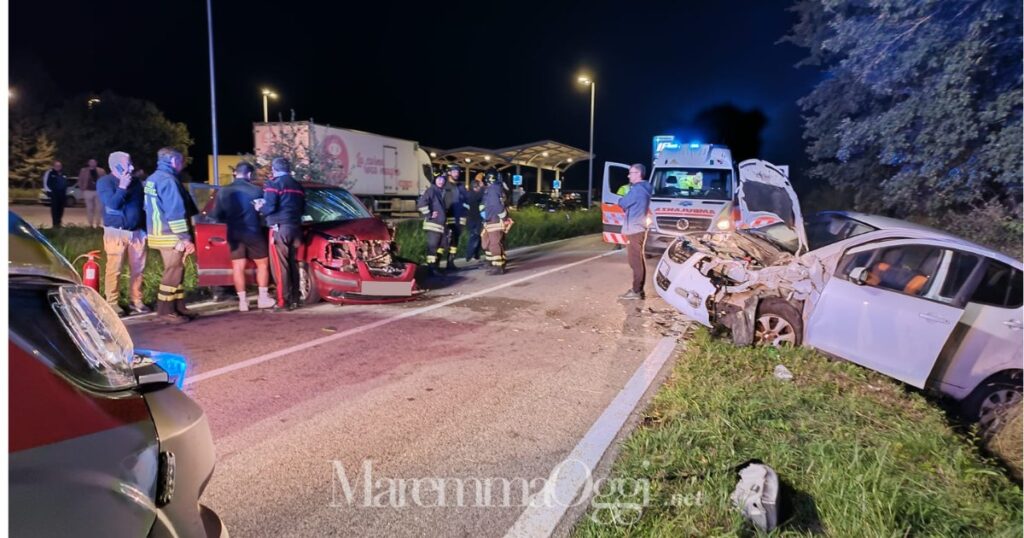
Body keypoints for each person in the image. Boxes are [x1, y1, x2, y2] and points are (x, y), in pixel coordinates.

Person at [144, 148, 199, 324]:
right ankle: (165, 311)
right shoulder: (168, 180)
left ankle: (178, 306)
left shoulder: (153, 178)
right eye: (181, 161)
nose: (182, 165)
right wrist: (184, 237)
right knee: (173, 271)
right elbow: (175, 211)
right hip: (171, 234)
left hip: (158, 232)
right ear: (174, 161)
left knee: (177, 271)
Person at [213, 162, 275, 312]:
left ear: (235, 173)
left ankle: (242, 302)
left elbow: (216, 216)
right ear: (249, 174)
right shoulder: (257, 190)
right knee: (262, 265)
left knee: (238, 267)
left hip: (234, 233)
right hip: (253, 232)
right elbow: (264, 212)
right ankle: (262, 298)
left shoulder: (223, 191)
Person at [97, 151, 149, 316]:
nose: (132, 167)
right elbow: (113, 205)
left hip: (137, 233)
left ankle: (136, 300)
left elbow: (142, 206)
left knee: (138, 269)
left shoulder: (136, 183)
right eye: (128, 163)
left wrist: (145, 229)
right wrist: (122, 187)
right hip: (116, 233)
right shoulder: (105, 182)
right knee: (115, 268)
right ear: (116, 166)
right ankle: (112, 302)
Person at [259, 157, 306, 311]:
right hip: (296, 228)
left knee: (280, 267)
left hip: (279, 228)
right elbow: (303, 208)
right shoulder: (298, 185)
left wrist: (260, 208)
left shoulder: (273, 184)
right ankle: (295, 298)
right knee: (293, 264)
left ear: (274, 169)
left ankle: (283, 301)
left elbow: (270, 207)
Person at [617, 163, 653, 300]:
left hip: (634, 229)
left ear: (638, 174)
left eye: (631, 172)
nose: (628, 175)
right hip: (638, 228)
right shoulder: (645, 188)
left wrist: (621, 199)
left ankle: (636, 291)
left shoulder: (637, 189)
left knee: (635, 261)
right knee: (638, 260)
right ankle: (638, 289)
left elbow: (623, 203)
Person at [417, 173, 448, 276]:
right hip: (433, 225)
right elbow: (421, 203)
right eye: (439, 179)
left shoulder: (440, 191)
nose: (441, 181)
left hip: (440, 225)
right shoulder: (431, 190)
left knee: (442, 245)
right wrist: (429, 214)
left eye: (443, 179)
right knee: (433, 246)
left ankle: (436, 265)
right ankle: (431, 267)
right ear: (435, 180)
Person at [481, 172, 511, 275]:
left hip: (494, 220)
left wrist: (503, 217)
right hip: (492, 219)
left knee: (494, 243)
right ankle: (497, 263)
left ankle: (498, 267)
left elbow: (496, 205)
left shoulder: (493, 189)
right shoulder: (497, 189)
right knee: (489, 242)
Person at [442, 164, 468, 270]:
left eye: (457, 172)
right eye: (454, 172)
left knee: (455, 240)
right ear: (449, 173)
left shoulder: (461, 186)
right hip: (446, 218)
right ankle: (435, 265)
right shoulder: (445, 186)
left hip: (459, 219)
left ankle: (450, 262)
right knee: (443, 241)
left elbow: (467, 199)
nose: (456, 174)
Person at [78, 158, 107, 227]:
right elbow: (80, 180)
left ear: (96, 163)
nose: (92, 164)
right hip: (87, 191)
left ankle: (98, 224)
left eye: (94, 162)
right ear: (88, 163)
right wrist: (82, 189)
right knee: (89, 208)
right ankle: (90, 224)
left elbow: (106, 180)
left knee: (99, 209)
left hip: (98, 191)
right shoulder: (84, 171)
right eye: (91, 162)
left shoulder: (101, 171)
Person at [464, 175, 485, 262]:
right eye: (478, 187)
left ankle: (475, 255)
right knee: (474, 237)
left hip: (472, 220)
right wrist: (483, 187)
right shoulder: (473, 194)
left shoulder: (469, 194)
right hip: (475, 220)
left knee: (478, 237)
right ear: (475, 187)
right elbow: (480, 194)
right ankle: (469, 255)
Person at [42, 160, 68, 228]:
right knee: (55, 209)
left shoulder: (63, 173)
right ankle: (55, 224)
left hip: (62, 194)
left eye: (59, 165)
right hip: (54, 194)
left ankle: (59, 223)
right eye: (56, 165)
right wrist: (49, 191)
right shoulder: (49, 172)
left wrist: (65, 191)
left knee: (61, 209)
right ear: (53, 166)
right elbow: (45, 183)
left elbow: (65, 183)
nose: (58, 167)